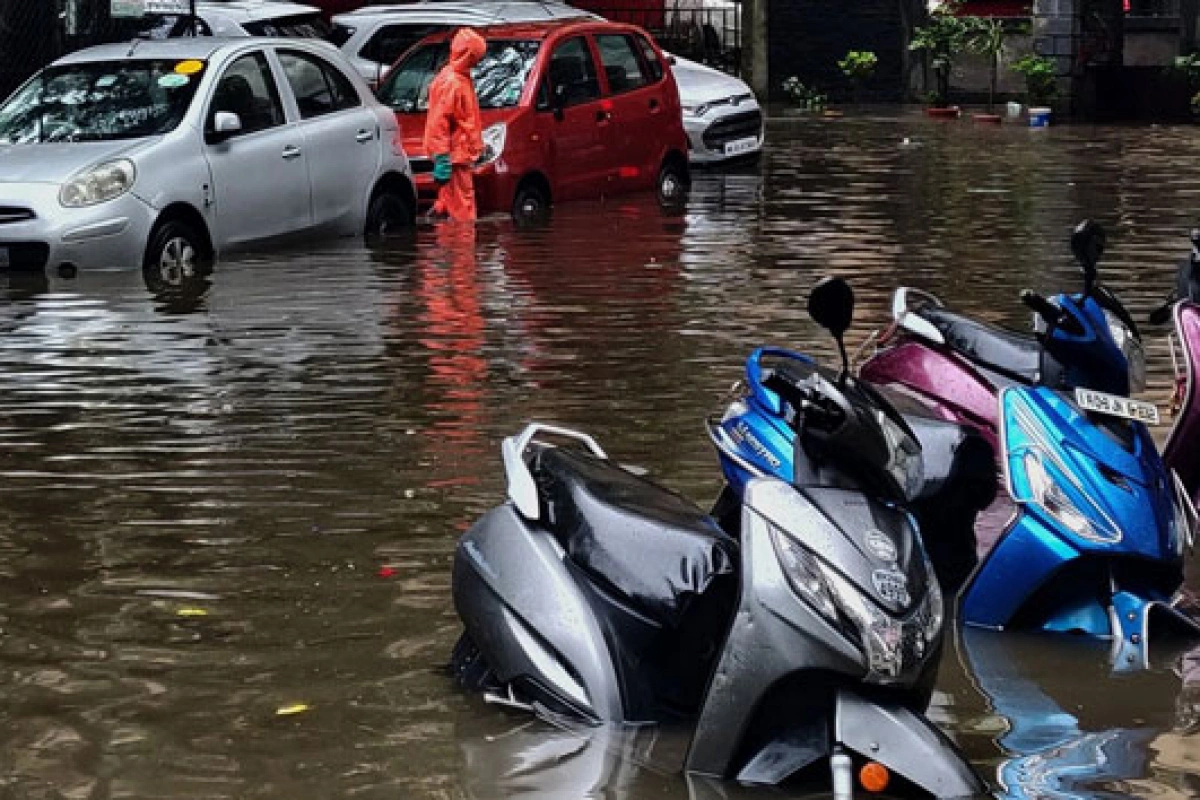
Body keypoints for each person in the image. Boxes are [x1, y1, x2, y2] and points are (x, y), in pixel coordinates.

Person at [424, 28, 486, 222]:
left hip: (458, 154)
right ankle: (462, 250)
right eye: (476, 57)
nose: (477, 62)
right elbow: (438, 122)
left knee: (451, 202)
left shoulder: (457, 78)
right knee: (463, 211)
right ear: (468, 55)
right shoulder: (452, 82)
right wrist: (442, 157)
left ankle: (444, 235)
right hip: (455, 156)